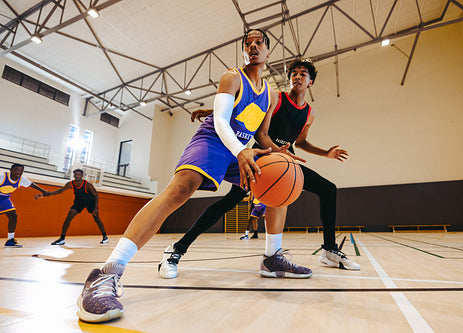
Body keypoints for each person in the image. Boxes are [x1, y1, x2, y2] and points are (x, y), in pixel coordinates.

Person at [76, 29, 309, 323]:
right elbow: (222, 121)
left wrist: (279, 151)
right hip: (213, 140)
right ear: (243, 51)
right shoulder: (232, 77)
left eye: (259, 43)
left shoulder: (271, 95)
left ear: (267, 52)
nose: (253, 46)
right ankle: (105, 274)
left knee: (278, 181)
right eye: (247, 43)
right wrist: (240, 151)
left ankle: (272, 256)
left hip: (240, 150)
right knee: (181, 190)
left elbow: (261, 135)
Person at [159, 58, 359, 281]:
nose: (297, 77)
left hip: (285, 161)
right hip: (263, 156)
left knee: (328, 189)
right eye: (294, 73)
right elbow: (252, 119)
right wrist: (215, 111)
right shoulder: (275, 97)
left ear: (310, 82)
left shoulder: (309, 113)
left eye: (303, 74)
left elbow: (300, 142)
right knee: (229, 202)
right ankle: (178, 247)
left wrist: (326, 153)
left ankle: (328, 250)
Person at [36, 169, 108, 245]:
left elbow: (96, 195)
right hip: (79, 202)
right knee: (69, 217)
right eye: (76, 174)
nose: (77, 176)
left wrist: (96, 207)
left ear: (82, 176)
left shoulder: (88, 184)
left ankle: (105, 236)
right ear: (73, 175)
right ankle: (62, 239)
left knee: (96, 218)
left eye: (79, 174)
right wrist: (49, 194)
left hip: (90, 202)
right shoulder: (70, 184)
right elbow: (60, 191)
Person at [1, 163, 48, 247]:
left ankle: (10, 240)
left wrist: (43, 191)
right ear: (11, 170)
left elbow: (31, 185)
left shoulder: (21, 179)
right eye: (17, 170)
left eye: (21, 171)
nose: (19, 172)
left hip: (4, 198)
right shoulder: (2, 176)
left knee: (13, 215)